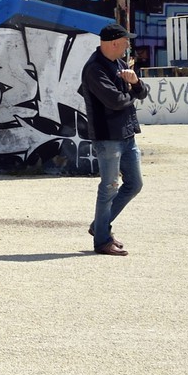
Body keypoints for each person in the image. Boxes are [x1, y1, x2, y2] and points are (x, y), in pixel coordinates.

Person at [80, 22, 148, 257]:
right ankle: (101, 241)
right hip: (108, 137)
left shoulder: (118, 63)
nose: (129, 44)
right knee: (109, 187)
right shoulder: (94, 69)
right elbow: (116, 101)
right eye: (126, 40)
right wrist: (132, 89)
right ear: (114, 43)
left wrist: (136, 83)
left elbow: (143, 92)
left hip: (127, 134)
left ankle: (99, 226)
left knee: (134, 184)